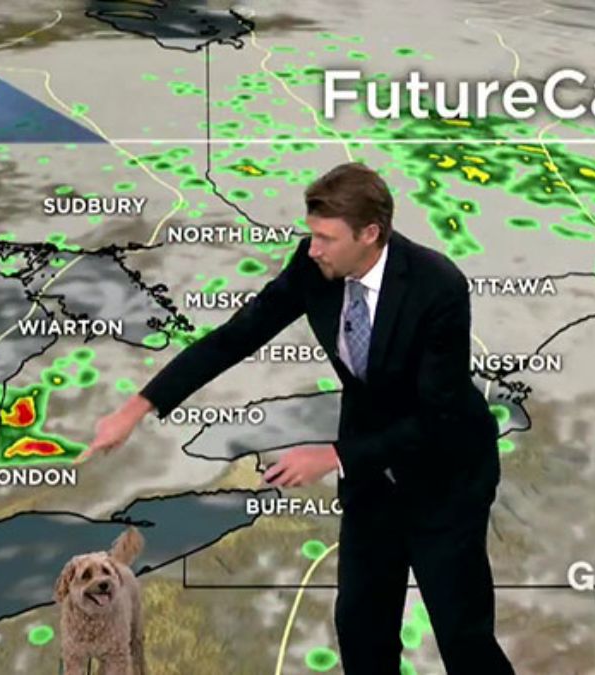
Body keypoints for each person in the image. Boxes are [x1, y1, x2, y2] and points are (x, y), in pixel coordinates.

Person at [82, 162, 513, 674]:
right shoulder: (316, 269)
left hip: (445, 477)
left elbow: (436, 417)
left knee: (463, 639)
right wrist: (138, 408)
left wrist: (333, 456)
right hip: (373, 483)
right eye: (312, 235)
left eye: (326, 238)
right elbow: (237, 336)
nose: (313, 249)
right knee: (362, 632)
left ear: (370, 234)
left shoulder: (436, 286)